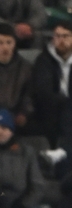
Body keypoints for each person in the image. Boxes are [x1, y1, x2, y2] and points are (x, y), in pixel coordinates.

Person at [32, 21, 72, 151]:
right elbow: (43, 91)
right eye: (57, 36)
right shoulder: (43, 60)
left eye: (65, 36)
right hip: (51, 109)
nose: (61, 40)